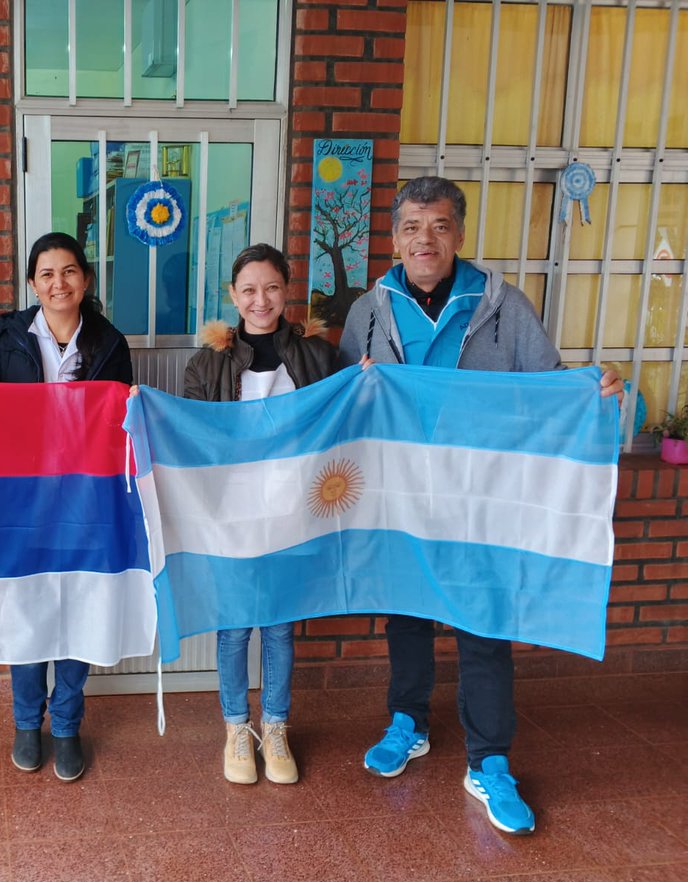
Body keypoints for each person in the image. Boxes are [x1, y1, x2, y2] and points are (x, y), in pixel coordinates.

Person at [337, 175, 622, 835]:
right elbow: (346, 399)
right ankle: (407, 721)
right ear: (395, 237)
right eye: (411, 227)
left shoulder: (502, 305)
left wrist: (592, 387)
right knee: (405, 615)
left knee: (484, 627)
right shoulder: (370, 312)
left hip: (481, 499)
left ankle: (490, 761)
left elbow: (548, 387)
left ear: (459, 234)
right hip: (402, 495)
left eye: (438, 226)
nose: (424, 239)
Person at [0, 231, 133, 782]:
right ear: (32, 283)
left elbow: (120, 429)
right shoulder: (6, 338)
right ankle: (27, 722)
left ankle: (66, 722)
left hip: (86, 497)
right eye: (46, 273)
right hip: (22, 498)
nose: (58, 282)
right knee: (29, 607)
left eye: (69, 271)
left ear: (85, 280)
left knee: (78, 605)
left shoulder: (111, 344)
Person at [182, 243, 338, 784]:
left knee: (278, 626)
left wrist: (364, 380)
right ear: (232, 296)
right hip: (232, 515)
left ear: (286, 291)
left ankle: (276, 727)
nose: (260, 299)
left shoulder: (316, 356)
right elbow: (194, 440)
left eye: (271, 287)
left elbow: (345, 417)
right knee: (233, 627)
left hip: (294, 513)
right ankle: (235, 728)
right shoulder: (207, 364)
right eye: (248, 289)